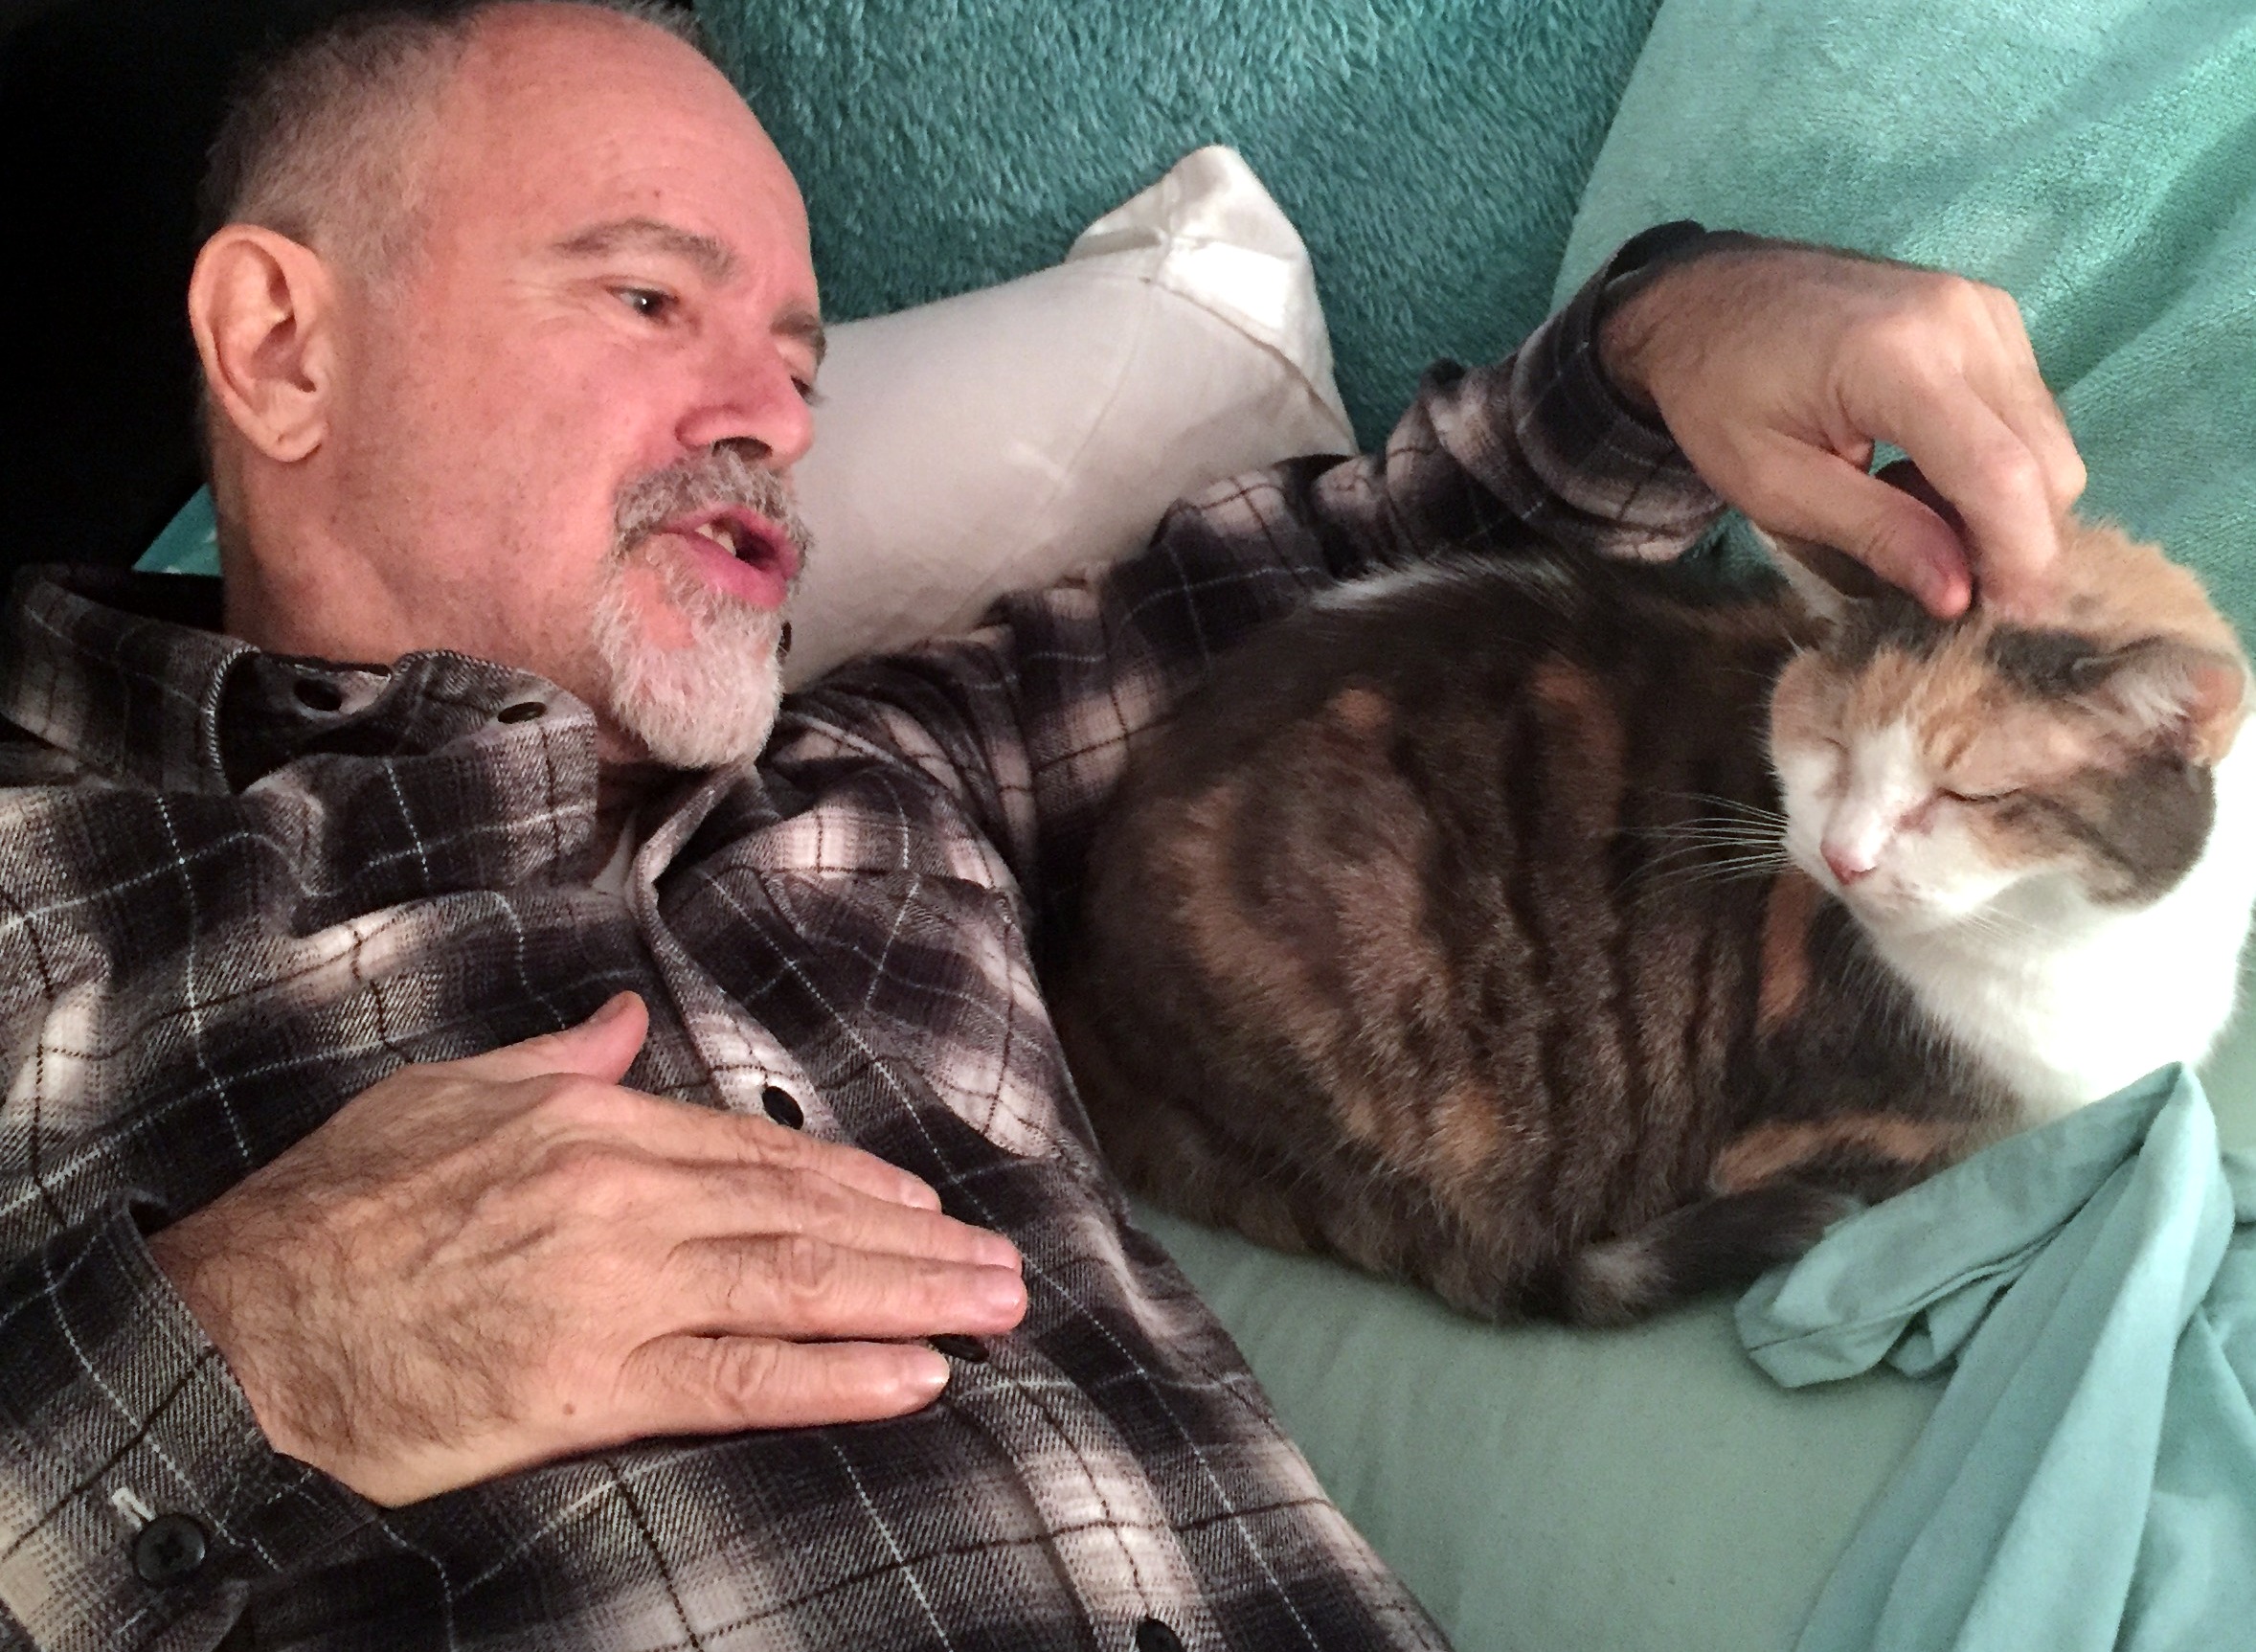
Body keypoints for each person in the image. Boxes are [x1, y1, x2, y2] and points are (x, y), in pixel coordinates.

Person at [0, 2, 2086, 1647]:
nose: (774, 415)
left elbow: (1392, 582)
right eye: (647, 301)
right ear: (282, 346)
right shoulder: (46, 884)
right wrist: (241, 1354)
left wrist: (1675, 337)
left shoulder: (876, 780)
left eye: (799, 361)